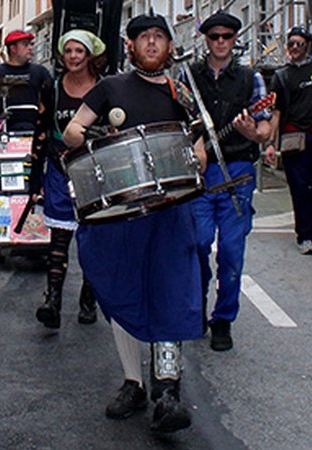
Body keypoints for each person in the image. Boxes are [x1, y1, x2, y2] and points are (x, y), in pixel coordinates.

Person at [63, 13, 207, 433]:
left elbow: (199, 149)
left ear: (169, 46)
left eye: (159, 37)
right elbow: (73, 129)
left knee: (171, 289)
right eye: (143, 37)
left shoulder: (182, 92)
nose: (151, 43)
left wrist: (196, 157)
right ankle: (133, 383)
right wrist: (89, 137)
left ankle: (168, 391)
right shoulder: (111, 88)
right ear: (130, 46)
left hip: (171, 208)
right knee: (122, 286)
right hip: (124, 210)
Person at [186, 11, 272, 351]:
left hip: (238, 171)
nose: (220, 42)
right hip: (200, 173)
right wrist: (195, 143)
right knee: (197, 243)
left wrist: (254, 133)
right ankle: (196, 306)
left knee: (232, 252)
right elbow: (178, 119)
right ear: (205, 40)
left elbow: (264, 127)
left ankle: (223, 318)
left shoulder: (251, 79)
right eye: (214, 36)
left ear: (235, 39)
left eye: (226, 36)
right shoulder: (189, 76)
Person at [33, 30, 105, 329]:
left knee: (93, 239)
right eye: (69, 51)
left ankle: (89, 299)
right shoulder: (51, 87)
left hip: (95, 172)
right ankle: (53, 300)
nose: (73, 57)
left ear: (89, 55)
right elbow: (41, 129)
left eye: (79, 51)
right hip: (59, 169)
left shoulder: (104, 88)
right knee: (59, 239)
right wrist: (34, 178)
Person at [266, 26, 312, 256]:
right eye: (291, 43)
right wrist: (271, 143)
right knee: (298, 187)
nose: (295, 47)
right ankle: (304, 235)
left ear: (308, 45)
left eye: (299, 43)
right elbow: (276, 112)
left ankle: (310, 219)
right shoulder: (281, 76)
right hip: (293, 137)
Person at [0, 30, 52, 133]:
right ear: (13, 48)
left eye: (31, 44)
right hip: (4, 132)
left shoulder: (40, 72)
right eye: (25, 45)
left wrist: (44, 127)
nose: (30, 48)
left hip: (34, 132)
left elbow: (48, 100)